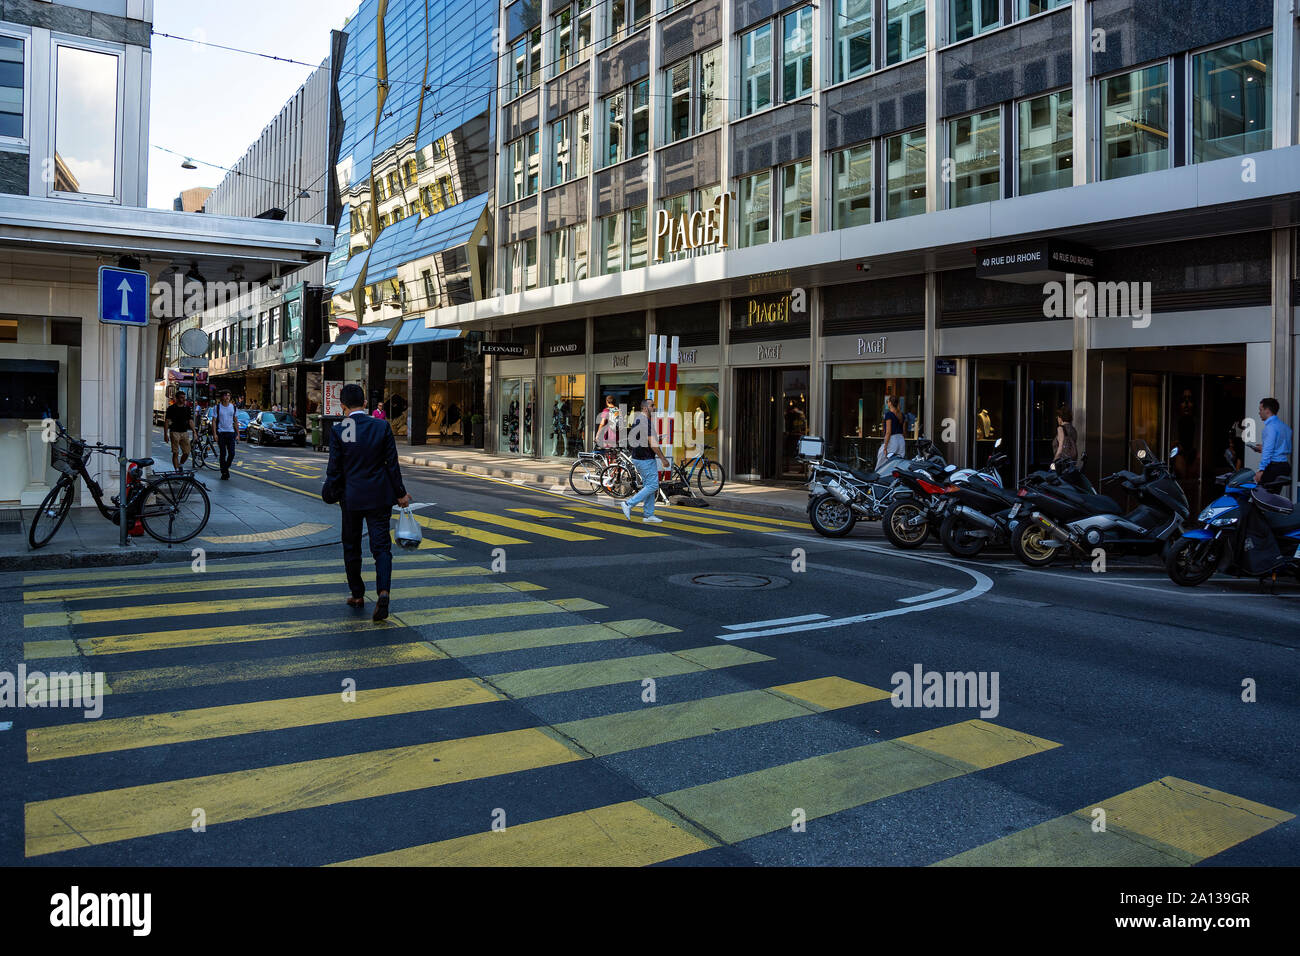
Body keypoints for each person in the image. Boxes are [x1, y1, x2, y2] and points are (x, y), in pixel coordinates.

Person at [325, 383, 412, 621]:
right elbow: (392, 465)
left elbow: (334, 469)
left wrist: (330, 490)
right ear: (365, 404)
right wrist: (401, 494)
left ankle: (357, 594)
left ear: (342, 406)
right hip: (379, 498)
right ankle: (383, 591)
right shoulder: (381, 426)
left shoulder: (339, 430)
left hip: (351, 498)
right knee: (381, 548)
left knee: (351, 547)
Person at [621, 398, 670, 524]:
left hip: (640, 457)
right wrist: (663, 459)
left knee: (650, 485)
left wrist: (656, 437)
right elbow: (652, 444)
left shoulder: (639, 419)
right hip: (645, 458)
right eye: (652, 406)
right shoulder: (644, 421)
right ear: (644, 408)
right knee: (653, 485)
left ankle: (648, 515)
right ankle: (628, 504)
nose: (654, 408)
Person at [1251, 397, 1292, 490]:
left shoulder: (1270, 428)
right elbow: (1285, 448)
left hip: (1273, 468)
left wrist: (1261, 470)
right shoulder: (1285, 427)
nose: (1259, 412)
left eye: (1260, 410)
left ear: (1267, 411)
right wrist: (1264, 447)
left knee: (1261, 499)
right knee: (1273, 499)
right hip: (1284, 466)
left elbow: (1268, 451)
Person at [212, 390, 239, 480]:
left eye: (229, 395)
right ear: (222, 397)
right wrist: (215, 434)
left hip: (231, 433)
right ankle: (224, 472)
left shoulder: (233, 407)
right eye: (225, 395)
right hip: (221, 433)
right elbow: (214, 421)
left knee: (232, 453)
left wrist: (237, 434)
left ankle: (225, 468)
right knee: (223, 453)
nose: (227, 397)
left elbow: (235, 421)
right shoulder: (217, 407)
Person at [164, 392, 194, 470]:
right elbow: (167, 421)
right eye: (181, 397)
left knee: (187, 452)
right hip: (174, 432)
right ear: (177, 398)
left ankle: (180, 464)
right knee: (175, 453)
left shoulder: (187, 408)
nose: (184, 399)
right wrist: (165, 434)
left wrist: (195, 432)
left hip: (184, 432)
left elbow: (190, 421)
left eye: (184, 397)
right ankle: (176, 471)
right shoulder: (171, 408)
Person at [876, 395, 905, 469]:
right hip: (901, 440)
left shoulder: (888, 414)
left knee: (882, 463)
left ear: (890, 403)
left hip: (892, 440)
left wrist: (885, 447)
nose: (887, 403)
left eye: (887, 401)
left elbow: (888, 432)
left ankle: (877, 479)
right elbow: (904, 431)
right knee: (898, 464)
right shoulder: (902, 415)